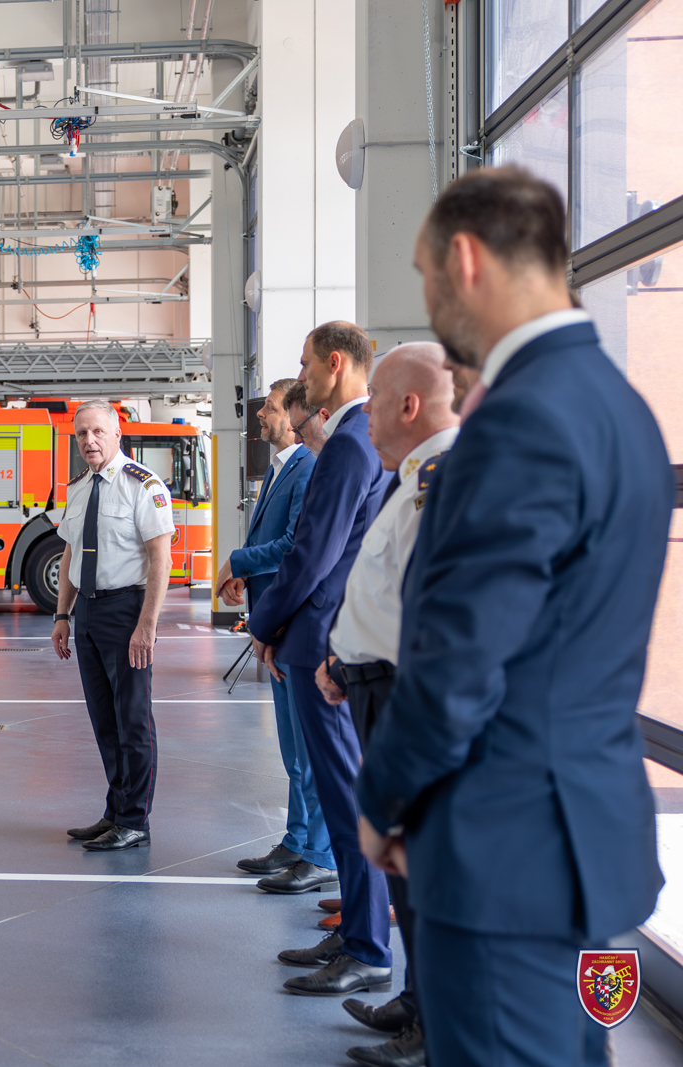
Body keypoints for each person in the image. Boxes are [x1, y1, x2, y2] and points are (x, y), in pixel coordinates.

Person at [358, 167, 671, 1067]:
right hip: (578, 838)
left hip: (503, 851)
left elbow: (459, 658)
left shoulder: (519, 423)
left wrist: (384, 797)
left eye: (426, 276)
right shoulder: (620, 409)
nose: (431, 302)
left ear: (465, 260)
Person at [306, 343, 456, 1067]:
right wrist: (344, 658)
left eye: (376, 403)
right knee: (404, 868)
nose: (364, 416)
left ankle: (437, 1026)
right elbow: (385, 586)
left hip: (405, 696)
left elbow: (436, 613)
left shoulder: (443, 479)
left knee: (424, 869)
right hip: (373, 682)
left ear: (409, 404)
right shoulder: (412, 475)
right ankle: (419, 999)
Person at [247, 321, 394, 996]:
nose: (301, 376)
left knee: (346, 796)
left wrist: (264, 623)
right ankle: (358, 931)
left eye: (306, 365)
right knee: (343, 797)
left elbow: (313, 555)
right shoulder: (361, 439)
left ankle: (366, 947)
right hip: (330, 635)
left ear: (335, 364)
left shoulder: (348, 444)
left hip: (320, 641)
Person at [216, 381, 331, 882]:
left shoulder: (307, 467)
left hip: (293, 622)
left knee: (307, 748)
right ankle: (298, 841)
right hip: (275, 623)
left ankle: (318, 852)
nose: (260, 414)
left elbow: (291, 545)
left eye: (270, 407)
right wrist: (246, 575)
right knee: (292, 749)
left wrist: (238, 560)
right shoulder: (281, 468)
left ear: (294, 417)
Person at [50, 400, 176, 852]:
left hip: (127, 612)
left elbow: (161, 559)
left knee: (133, 720)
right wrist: (62, 614)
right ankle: (115, 811)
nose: (89, 441)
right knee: (105, 721)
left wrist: (147, 626)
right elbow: (70, 553)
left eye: (98, 432)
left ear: (117, 434)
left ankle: (135, 820)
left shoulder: (144, 485)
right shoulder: (78, 488)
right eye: (82, 433)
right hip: (87, 611)